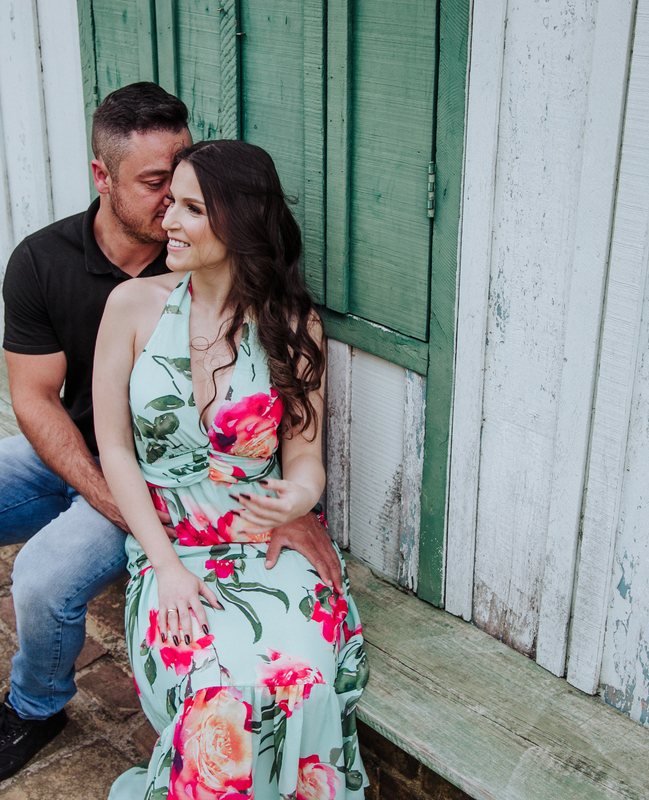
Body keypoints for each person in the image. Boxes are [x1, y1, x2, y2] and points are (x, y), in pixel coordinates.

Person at [0, 83, 346, 789]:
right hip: (75, 453)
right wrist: (118, 504)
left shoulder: (206, 265)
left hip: (180, 483)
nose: (171, 204)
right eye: (157, 184)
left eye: (185, 182)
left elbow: (285, 436)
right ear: (103, 177)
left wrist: (291, 502)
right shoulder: (46, 261)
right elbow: (34, 402)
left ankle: (34, 707)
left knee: (43, 577)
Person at [93, 139, 368, 799]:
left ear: (239, 223)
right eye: (171, 203)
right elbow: (116, 448)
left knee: (300, 683)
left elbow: (304, 458)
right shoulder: (131, 307)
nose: (169, 221)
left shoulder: (291, 325)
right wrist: (164, 567)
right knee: (216, 699)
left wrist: (297, 499)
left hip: (266, 544)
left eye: (191, 209)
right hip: (172, 549)